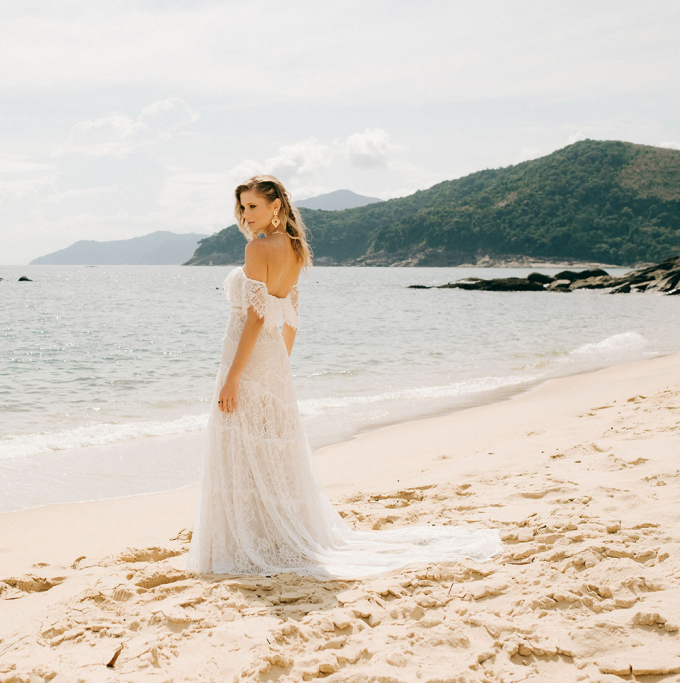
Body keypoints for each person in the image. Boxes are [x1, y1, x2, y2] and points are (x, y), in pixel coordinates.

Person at [186, 175, 501, 579]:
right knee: (267, 450)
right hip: (272, 361)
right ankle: (270, 532)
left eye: (253, 207)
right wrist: (278, 365)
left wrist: (233, 377)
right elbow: (292, 321)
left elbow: (256, 317)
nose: (246, 215)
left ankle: (254, 539)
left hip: (246, 361)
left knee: (244, 446)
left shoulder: (257, 248)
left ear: (276, 206)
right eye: (242, 207)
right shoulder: (296, 250)